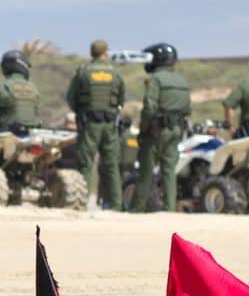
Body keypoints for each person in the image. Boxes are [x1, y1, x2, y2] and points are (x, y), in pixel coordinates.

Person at [66, 39, 126, 210]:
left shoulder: (83, 72)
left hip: (89, 123)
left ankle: (81, 203)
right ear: (105, 53)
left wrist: (81, 112)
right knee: (111, 164)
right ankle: (116, 205)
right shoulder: (115, 73)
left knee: (85, 163)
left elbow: (71, 98)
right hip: (109, 125)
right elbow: (121, 98)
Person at [131, 43, 191, 213]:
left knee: (146, 170)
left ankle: (137, 208)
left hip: (156, 131)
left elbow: (149, 107)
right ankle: (169, 208)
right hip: (176, 130)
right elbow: (188, 109)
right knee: (169, 171)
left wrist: (143, 129)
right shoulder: (182, 81)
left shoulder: (155, 80)